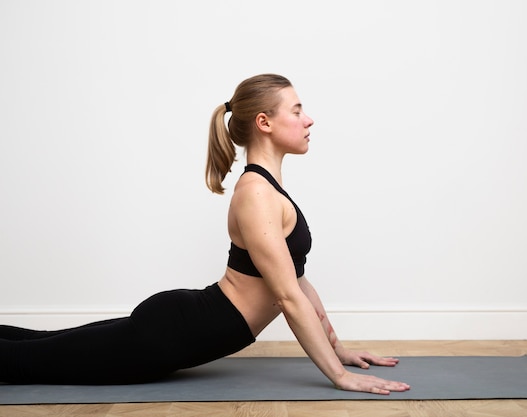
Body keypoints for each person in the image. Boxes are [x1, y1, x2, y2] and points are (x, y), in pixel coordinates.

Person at [0, 74, 410, 395]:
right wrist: (338, 376)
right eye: (298, 110)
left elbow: (297, 281)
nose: (309, 119)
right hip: (169, 337)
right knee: (22, 363)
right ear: (264, 122)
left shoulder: (269, 190)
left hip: (176, 325)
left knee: (38, 344)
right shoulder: (257, 195)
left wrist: (339, 348)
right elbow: (286, 298)